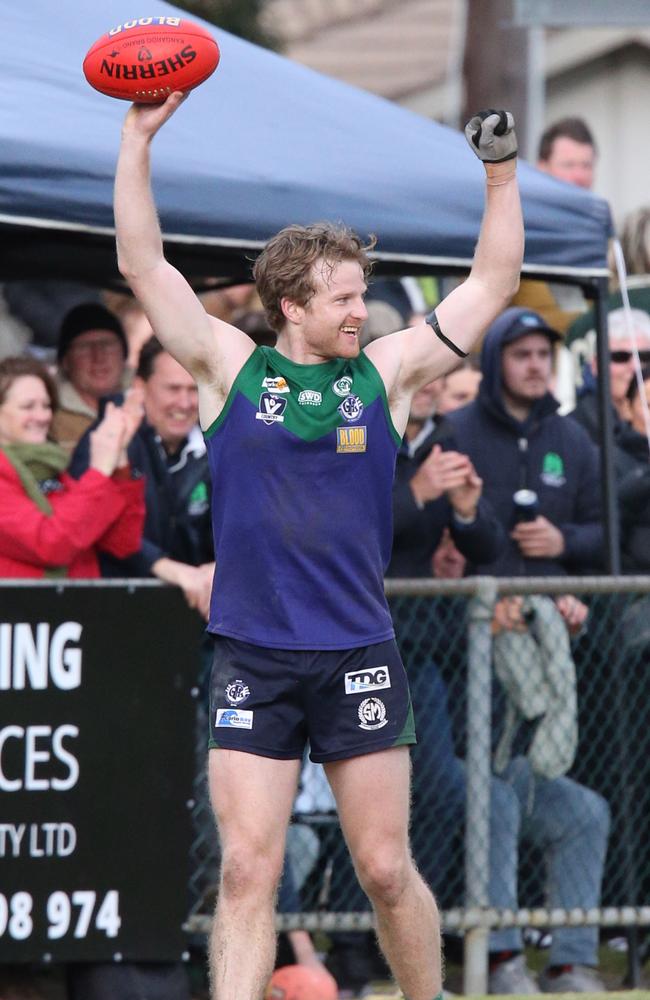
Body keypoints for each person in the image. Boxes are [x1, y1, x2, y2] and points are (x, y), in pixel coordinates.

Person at [114, 91, 523, 1000]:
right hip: (254, 652)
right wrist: (137, 138)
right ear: (291, 305)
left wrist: (500, 176)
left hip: (357, 653)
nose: (360, 311)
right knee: (247, 871)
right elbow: (143, 265)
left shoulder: (383, 374)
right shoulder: (229, 370)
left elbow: (491, 285)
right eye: (344, 298)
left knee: (384, 868)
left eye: (363, 295)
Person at [444, 307, 611, 992]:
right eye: (522, 353)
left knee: (585, 812)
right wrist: (486, 602)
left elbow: (607, 536)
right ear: (494, 363)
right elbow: (437, 544)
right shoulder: (456, 434)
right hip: (460, 675)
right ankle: (503, 959)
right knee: (496, 799)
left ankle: (572, 962)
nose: (537, 364)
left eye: (546, 353)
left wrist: (564, 552)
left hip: (543, 675)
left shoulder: (573, 439)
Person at [70, 337, 215, 619]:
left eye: (192, 389)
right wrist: (162, 566)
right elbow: (89, 519)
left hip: (197, 614)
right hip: (114, 609)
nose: (184, 403)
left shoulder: (216, 444)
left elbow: (239, 519)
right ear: (139, 387)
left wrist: (222, 566)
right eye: (173, 389)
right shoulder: (108, 437)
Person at [0, 355, 144, 577]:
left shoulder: (53, 467)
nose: (42, 416)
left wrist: (119, 462)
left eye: (47, 406)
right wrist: (98, 471)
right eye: (28, 407)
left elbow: (121, 543)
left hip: (76, 609)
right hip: (23, 611)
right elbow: (51, 544)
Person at [50, 302, 129, 453]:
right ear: (66, 361)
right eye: (84, 347)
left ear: (123, 354)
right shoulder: (47, 416)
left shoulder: (150, 403)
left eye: (107, 344)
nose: (99, 357)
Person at [536, 117, 597, 191]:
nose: (580, 176)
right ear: (542, 168)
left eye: (586, 166)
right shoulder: (521, 201)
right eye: (569, 165)